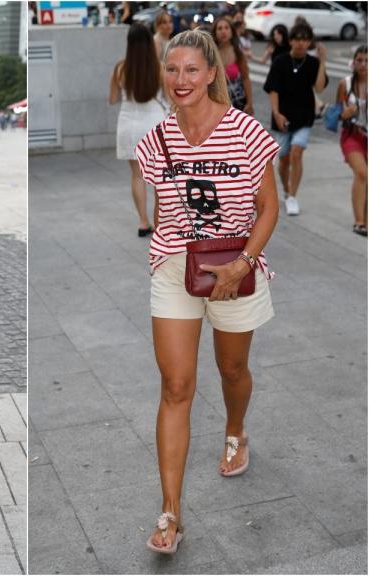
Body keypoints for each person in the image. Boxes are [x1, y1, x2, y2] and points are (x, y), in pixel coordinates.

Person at [134, 29, 279, 555]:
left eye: (192, 70)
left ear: (213, 73)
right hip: (176, 269)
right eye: (172, 71)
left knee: (233, 370)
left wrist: (240, 265)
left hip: (236, 268)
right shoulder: (155, 140)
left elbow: (269, 208)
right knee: (175, 387)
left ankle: (236, 429)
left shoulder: (245, 131)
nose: (181, 80)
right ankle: (171, 513)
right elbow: (162, 213)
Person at [110, 23, 169, 236]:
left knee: (137, 175)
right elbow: (169, 99)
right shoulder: (159, 67)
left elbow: (113, 98)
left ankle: (143, 222)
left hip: (128, 123)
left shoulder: (120, 68)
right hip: (153, 123)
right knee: (159, 176)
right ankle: (161, 223)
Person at [264, 21, 328, 216]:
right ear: (291, 40)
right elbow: (273, 89)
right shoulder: (280, 61)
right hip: (282, 117)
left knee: (296, 153)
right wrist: (276, 113)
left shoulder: (313, 63)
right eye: (297, 39)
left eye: (305, 39)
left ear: (310, 42)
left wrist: (322, 61)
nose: (301, 43)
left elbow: (318, 88)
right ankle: (286, 191)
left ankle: (292, 196)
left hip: (305, 116)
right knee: (283, 160)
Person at [338, 45, 367, 236]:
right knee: (363, 173)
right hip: (352, 136)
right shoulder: (345, 84)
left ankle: (365, 220)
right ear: (353, 62)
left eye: (367, 61)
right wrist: (344, 113)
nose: (363, 64)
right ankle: (358, 222)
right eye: (360, 60)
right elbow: (336, 114)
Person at [214, 15, 253, 115]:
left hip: (238, 104)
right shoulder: (211, 55)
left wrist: (250, 103)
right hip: (218, 105)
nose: (223, 31)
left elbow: (245, 78)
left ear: (231, 32)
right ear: (215, 33)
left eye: (227, 28)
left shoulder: (238, 53)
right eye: (220, 28)